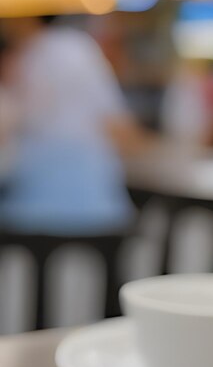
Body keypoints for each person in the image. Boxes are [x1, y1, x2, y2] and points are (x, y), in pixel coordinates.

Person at [0, 16, 150, 235]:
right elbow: (119, 126)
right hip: (91, 211)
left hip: (40, 211)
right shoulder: (75, 49)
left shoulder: (61, 52)